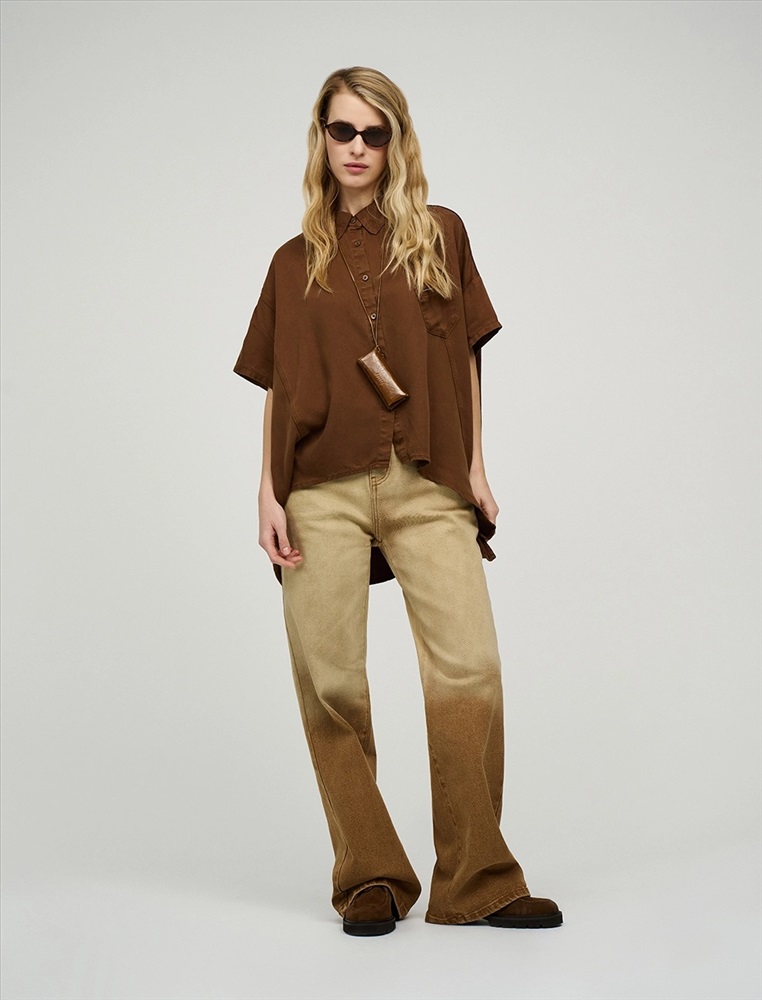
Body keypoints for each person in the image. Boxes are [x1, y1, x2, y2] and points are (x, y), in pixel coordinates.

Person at [233, 66, 562, 936]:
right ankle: (369, 875)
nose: (357, 148)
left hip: (425, 477)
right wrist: (266, 491)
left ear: (396, 142)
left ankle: (477, 879)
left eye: (374, 134)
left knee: (469, 667)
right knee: (330, 681)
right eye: (342, 131)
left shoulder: (440, 234)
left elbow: (468, 356)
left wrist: (476, 466)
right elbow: (278, 384)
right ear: (321, 138)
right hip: (318, 489)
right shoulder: (291, 261)